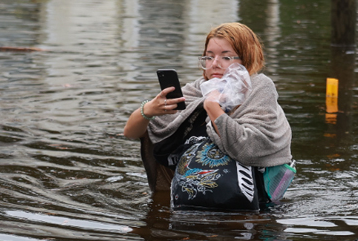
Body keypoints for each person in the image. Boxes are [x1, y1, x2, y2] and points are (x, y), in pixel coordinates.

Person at [123, 22, 293, 202]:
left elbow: (249, 148)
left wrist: (213, 107)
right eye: (209, 57)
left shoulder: (259, 87)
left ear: (246, 58)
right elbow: (131, 133)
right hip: (193, 199)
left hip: (248, 203)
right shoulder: (198, 89)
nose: (215, 64)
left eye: (226, 58)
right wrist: (147, 110)